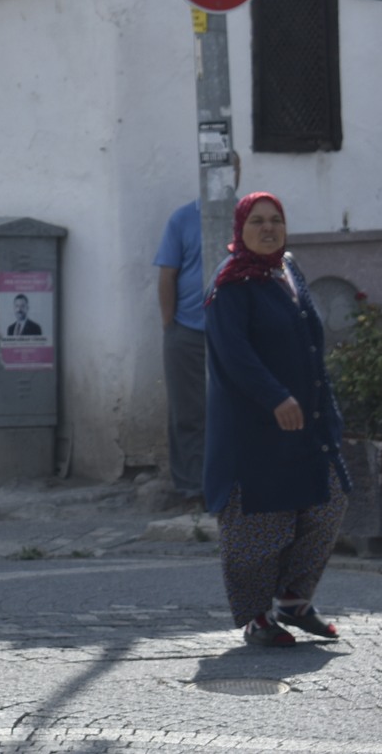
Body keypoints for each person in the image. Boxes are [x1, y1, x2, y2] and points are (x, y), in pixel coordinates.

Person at [204, 191, 352, 648]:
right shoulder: (231, 284)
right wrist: (274, 397)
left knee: (329, 500)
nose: (268, 229)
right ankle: (255, 616)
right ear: (240, 230)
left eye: (276, 220)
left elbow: (310, 344)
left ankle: (294, 599)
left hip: (307, 420)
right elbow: (234, 354)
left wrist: (325, 407)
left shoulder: (288, 270)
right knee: (260, 523)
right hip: (255, 427)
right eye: (258, 222)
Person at [155, 155, 237, 505]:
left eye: (232, 170)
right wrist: (169, 324)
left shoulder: (249, 220)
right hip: (188, 328)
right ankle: (191, 486)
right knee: (188, 410)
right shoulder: (183, 219)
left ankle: (233, 482)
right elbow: (167, 274)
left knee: (235, 408)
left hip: (234, 331)